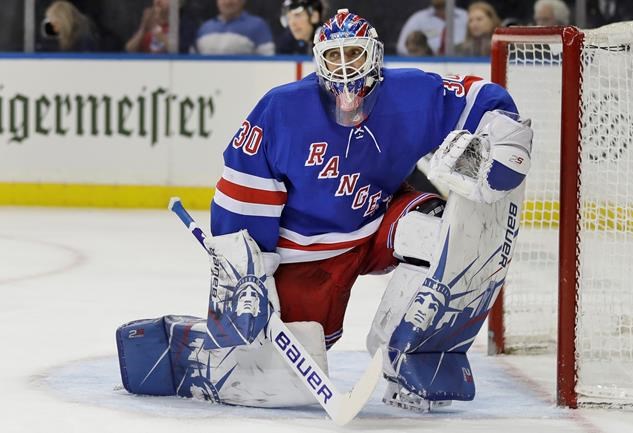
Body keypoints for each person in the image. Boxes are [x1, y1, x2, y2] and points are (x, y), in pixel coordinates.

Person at [116, 8, 532, 412]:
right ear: (318, 62)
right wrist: (244, 278)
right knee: (280, 381)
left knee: (442, 231)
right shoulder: (281, 109)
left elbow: (484, 97)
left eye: (354, 54)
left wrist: (505, 138)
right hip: (305, 257)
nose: (346, 67)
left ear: (375, 55)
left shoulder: (411, 93)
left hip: (377, 227)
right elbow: (242, 196)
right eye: (334, 56)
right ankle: (182, 348)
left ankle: (417, 360)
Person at [193, 0, 275, 55]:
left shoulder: (258, 25)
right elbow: (192, 61)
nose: (228, 2)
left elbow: (268, 59)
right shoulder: (205, 28)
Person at [396, 0, 468, 56]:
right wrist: (417, 55)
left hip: (463, 66)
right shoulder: (418, 19)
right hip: (426, 66)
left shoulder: (466, 17)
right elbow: (401, 47)